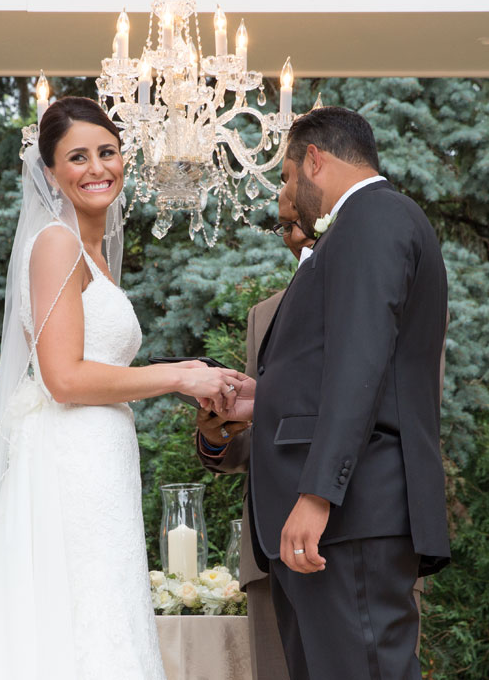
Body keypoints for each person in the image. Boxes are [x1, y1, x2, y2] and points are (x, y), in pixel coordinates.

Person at [0, 96, 250, 679]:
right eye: (77, 157)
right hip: (70, 459)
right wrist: (180, 375)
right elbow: (64, 377)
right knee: (76, 617)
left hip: (101, 455)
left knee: (106, 611)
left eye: (107, 151)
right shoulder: (57, 243)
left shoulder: (96, 253)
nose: (97, 167)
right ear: (49, 172)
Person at [215, 108, 448, 680]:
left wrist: (317, 495)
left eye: (289, 177)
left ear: (314, 159)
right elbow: (339, 363)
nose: (290, 195)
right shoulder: (364, 226)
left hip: (349, 517)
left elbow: (359, 365)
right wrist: (260, 398)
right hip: (339, 524)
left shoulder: (372, 218)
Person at [195, 187, 309, 680]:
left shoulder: (393, 294)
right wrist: (219, 433)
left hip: (357, 538)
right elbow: (260, 436)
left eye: (305, 223)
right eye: (286, 227)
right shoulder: (265, 314)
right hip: (268, 557)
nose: (296, 236)